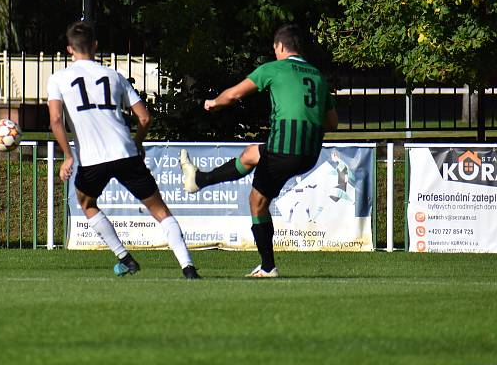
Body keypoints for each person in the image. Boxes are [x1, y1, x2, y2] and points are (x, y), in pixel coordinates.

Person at [180, 24, 338, 277]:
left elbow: (233, 95)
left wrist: (213, 103)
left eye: (274, 48)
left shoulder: (273, 69)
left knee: (257, 202)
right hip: (310, 153)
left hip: (284, 150)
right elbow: (332, 123)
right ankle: (200, 180)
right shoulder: (317, 76)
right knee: (252, 153)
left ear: (280, 46)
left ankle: (267, 267)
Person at [47, 21, 199, 279]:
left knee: (86, 202)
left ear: (69, 50)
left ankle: (125, 258)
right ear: (95, 45)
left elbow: (55, 120)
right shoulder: (114, 75)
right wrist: (137, 144)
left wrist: (68, 156)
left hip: (93, 160)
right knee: (160, 210)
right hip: (126, 153)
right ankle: (189, 268)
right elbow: (145, 118)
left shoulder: (58, 78)